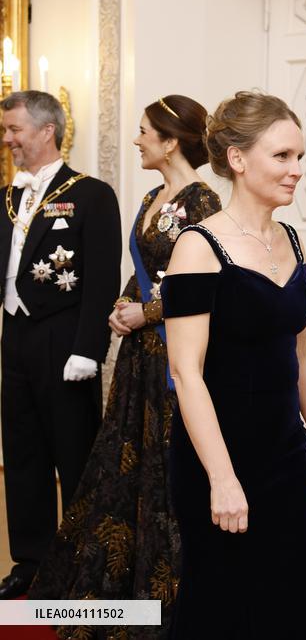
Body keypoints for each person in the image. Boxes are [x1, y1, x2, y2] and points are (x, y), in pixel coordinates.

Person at [27, 95, 220, 638]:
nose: (136, 140)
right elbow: (144, 271)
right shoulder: (153, 196)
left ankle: (168, 592)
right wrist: (121, 307)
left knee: (166, 462)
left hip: (174, 350)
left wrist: (147, 312)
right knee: (127, 459)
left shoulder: (204, 203)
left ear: (170, 140)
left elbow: (206, 285)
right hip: (139, 353)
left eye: (143, 132)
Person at [160, 91, 306, 639]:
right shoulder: (198, 246)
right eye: (282, 156)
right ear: (237, 159)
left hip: (286, 454)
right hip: (219, 457)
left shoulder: (290, 239)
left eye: (300, 158)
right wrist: (222, 479)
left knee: (296, 601)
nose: (297, 171)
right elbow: (186, 374)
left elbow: (299, 350)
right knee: (226, 608)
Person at [0, 91, 121, 600]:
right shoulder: (9, 196)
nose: (8, 140)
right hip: (15, 338)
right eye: (5, 131)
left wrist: (88, 350)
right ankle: (30, 562)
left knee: (73, 456)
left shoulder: (92, 194)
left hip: (64, 342)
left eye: (15, 130)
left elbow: (100, 280)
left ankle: (77, 566)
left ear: (47, 130)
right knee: (22, 454)